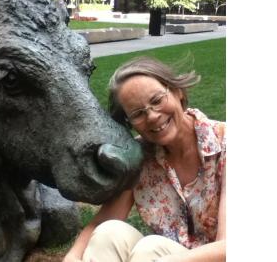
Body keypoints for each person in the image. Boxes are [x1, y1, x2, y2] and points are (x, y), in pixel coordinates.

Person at [63, 57, 226, 262]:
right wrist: (73, 256)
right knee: (109, 233)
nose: (152, 116)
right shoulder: (141, 158)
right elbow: (101, 222)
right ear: (129, 123)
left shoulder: (228, 142)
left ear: (177, 92)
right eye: (138, 113)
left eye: (157, 100)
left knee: (150, 248)